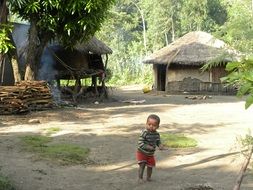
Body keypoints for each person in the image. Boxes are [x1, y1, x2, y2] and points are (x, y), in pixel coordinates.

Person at [136, 114, 166, 183]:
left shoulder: (156, 134)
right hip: (142, 152)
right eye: (149, 124)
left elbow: (158, 141)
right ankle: (140, 178)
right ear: (146, 124)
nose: (151, 126)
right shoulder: (144, 133)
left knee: (150, 166)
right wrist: (148, 147)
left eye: (154, 125)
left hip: (150, 154)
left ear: (158, 126)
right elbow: (140, 143)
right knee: (142, 165)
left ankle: (148, 177)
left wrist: (160, 145)